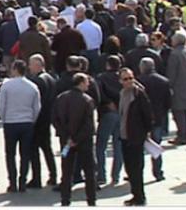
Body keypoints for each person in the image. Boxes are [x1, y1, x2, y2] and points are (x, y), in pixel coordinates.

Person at [53, 73, 97, 207]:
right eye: (87, 82)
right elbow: (89, 124)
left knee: (66, 171)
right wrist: (77, 138)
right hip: (84, 142)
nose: (88, 85)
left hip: (66, 142)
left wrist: (67, 137)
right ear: (81, 83)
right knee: (89, 171)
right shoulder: (87, 100)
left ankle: (65, 200)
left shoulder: (61, 98)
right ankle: (91, 200)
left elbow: (55, 119)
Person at [0, 59, 41, 193]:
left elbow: (1, 106)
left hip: (10, 122)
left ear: (15, 69)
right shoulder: (32, 86)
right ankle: (22, 181)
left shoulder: (6, 86)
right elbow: (37, 107)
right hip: (27, 122)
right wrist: (32, 119)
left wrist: (4, 118)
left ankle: (12, 182)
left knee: (10, 154)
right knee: (25, 154)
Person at [118, 67, 154, 207]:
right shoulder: (122, 93)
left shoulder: (138, 94)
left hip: (136, 135)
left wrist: (147, 132)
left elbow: (148, 114)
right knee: (129, 168)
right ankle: (135, 195)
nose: (129, 81)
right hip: (124, 135)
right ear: (120, 81)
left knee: (136, 168)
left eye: (131, 78)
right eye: (125, 79)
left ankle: (140, 197)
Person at [137, 57, 170, 181]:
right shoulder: (164, 81)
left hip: (140, 119)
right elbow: (168, 102)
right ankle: (158, 172)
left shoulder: (138, 81)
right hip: (157, 118)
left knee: (138, 148)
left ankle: (136, 172)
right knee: (155, 146)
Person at [27, 53, 58, 188]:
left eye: (31, 64)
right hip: (47, 117)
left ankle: (36, 178)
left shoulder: (38, 81)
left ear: (37, 65)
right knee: (47, 148)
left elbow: (36, 101)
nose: (29, 67)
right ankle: (53, 175)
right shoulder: (51, 78)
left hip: (39, 118)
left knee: (34, 149)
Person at [95, 54, 123, 186]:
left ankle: (101, 174)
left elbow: (99, 95)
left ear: (107, 65)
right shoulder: (122, 77)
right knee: (119, 146)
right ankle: (116, 175)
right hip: (121, 113)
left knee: (101, 145)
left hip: (107, 113)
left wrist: (107, 103)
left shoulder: (101, 78)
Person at [166, 31, 186, 146]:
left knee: (178, 112)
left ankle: (181, 135)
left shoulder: (174, 54)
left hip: (178, 86)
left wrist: (169, 85)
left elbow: (172, 72)